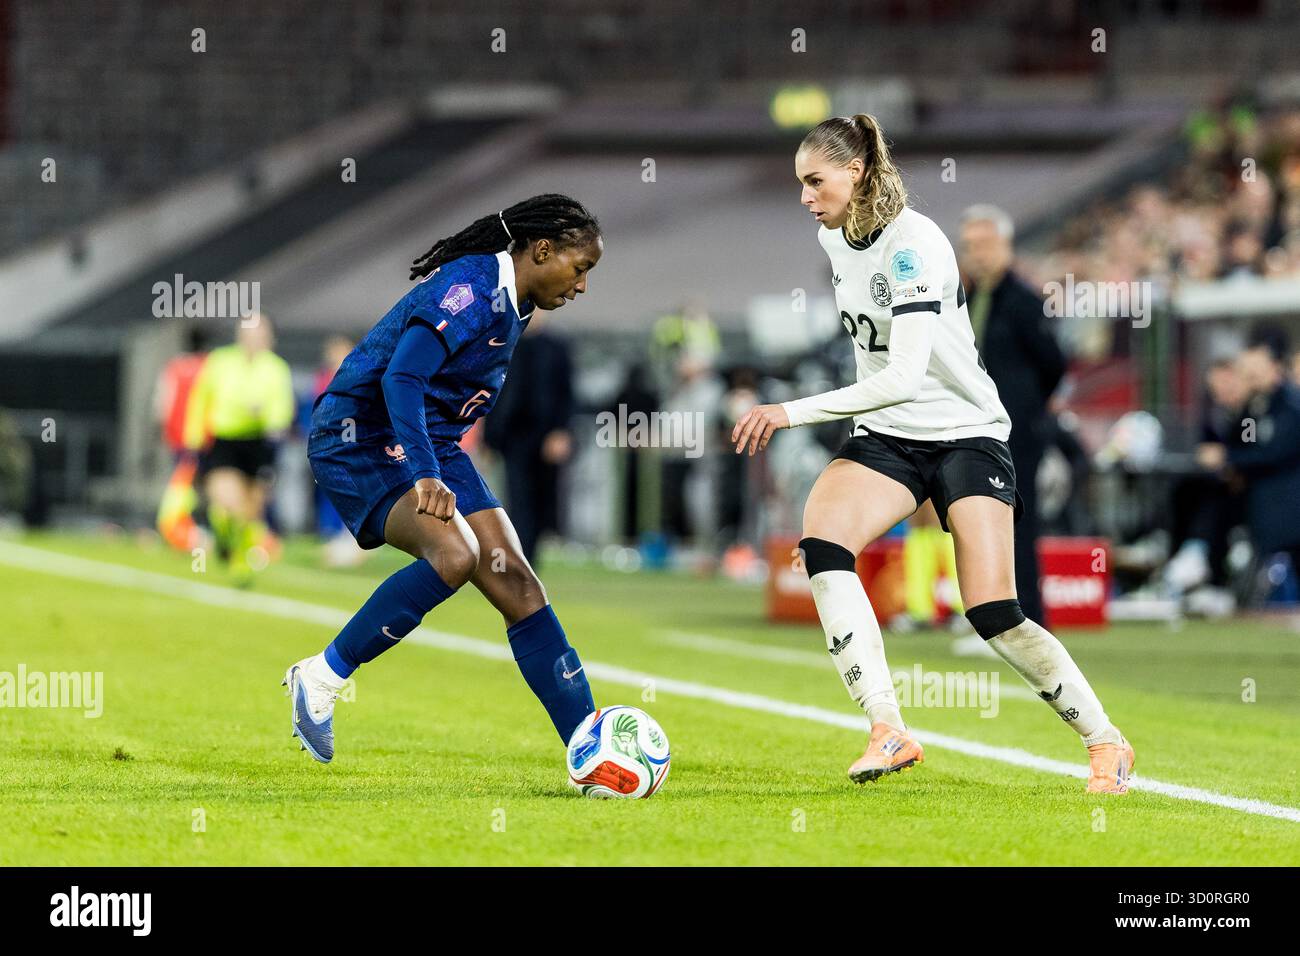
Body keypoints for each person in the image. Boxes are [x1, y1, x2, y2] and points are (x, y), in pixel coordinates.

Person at [732, 114, 1134, 793]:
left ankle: (1106, 741)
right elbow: (876, 369)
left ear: (856, 172)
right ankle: (887, 729)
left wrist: (788, 412)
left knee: (993, 612)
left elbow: (904, 376)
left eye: (815, 181)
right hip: (887, 435)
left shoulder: (914, 245)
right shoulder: (834, 238)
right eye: (801, 183)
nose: (805, 197)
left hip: (966, 433)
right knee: (824, 547)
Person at [285, 194, 603, 763]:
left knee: (519, 583)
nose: (582, 286)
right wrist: (426, 472)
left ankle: (590, 746)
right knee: (455, 555)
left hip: (429, 441)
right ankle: (321, 678)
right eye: (580, 268)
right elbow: (402, 378)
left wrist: (433, 459)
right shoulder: (471, 288)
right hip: (361, 433)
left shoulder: (516, 302)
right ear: (542, 250)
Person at [960, 204, 1067, 625]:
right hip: (978, 430)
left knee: (1018, 522)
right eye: (970, 245)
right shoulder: (969, 300)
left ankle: (1027, 621)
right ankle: (992, 617)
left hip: (1017, 431)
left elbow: (1054, 362)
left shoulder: (1022, 301)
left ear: (1005, 245)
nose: (977, 253)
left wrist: (1027, 407)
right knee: (981, 521)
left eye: (985, 244)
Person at [183, 315, 294, 584]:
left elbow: (282, 407)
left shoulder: (276, 367)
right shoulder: (221, 361)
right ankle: (224, 533)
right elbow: (201, 397)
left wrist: (269, 419)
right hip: (226, 440)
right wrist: (193, 435)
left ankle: (240, 560)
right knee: (226, 500)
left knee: (251, 510)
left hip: (259, 443)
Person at [1198, 323, 1300, 592]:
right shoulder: (1255, 408)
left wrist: (1227, 457)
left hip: (1287, 508)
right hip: (1261, 509)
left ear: (1275, 366)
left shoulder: (1290, 406)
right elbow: (1247, 442)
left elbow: (1274, 452)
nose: (1251, 377)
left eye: (1256, 370)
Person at [482, 316, 575, 563]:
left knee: (543, 503)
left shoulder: (556, 346)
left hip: (546, 438)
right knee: (518, 500)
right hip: (512, 437)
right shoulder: (503, 343)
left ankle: (527, 559)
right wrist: (489, 438)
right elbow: (492, 393)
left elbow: (566, 393)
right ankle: (519, 559)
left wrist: (562, 431)